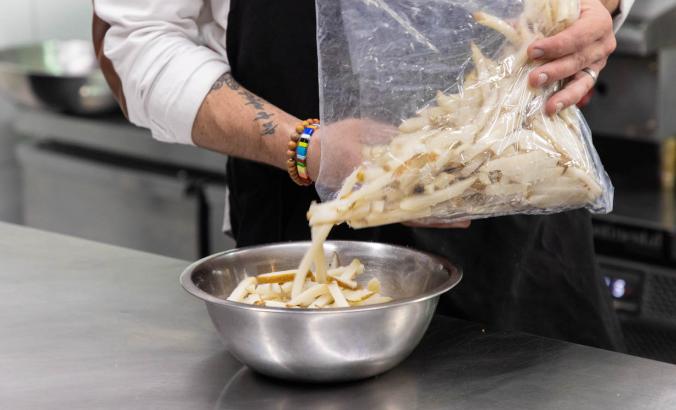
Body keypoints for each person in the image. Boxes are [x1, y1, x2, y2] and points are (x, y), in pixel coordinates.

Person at [93, 0, 634, 350]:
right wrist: (308, 147)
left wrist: (597, 7)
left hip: (529, 236)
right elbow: (134, 40)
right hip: (313, 276)